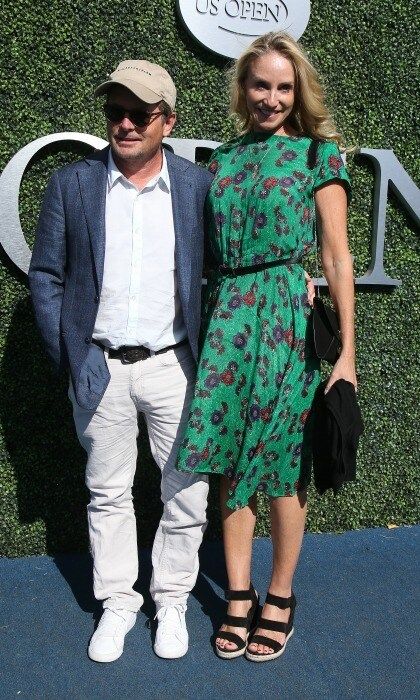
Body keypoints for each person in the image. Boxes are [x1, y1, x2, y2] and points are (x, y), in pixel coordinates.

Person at [177, 31, 356, 662]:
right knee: (231, 461)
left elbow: (336, 257)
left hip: (285, 317)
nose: (271, 98)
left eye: (284, 87)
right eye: (260, 85)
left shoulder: (317, 156)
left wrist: (347, 353)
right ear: (243, 88)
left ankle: (279, 594)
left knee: (280, 459)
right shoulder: (220, 161)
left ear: (297, 91)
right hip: (228, 319)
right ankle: (238, 592)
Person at [28, 60, 213, 662]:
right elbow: (47, 275)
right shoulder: (72, 185)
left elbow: (223, 270)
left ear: (169, 120)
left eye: (141, 113)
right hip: (99, 364)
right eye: (116, 112)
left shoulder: (196, 187)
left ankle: (173, 601)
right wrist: (70, 352)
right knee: (106, 492)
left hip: (174, 364)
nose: (126, 124)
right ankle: (117, 603)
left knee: (185, 490)